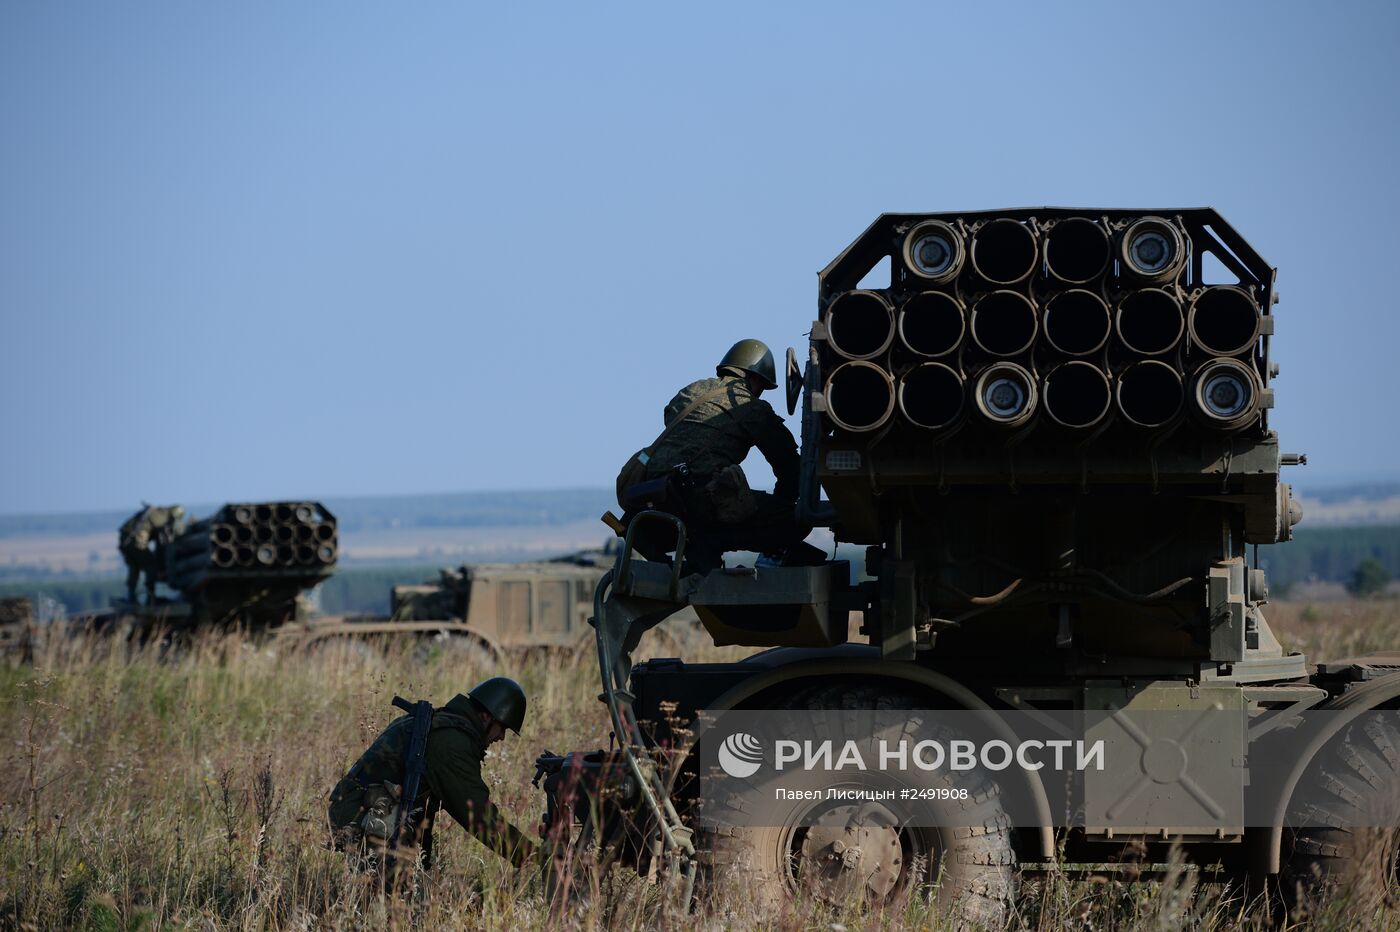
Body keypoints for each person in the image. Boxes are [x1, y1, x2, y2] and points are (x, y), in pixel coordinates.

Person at [621, 339, 820, 573]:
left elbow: (671, 418)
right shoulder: (749, 407)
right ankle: (708, 546)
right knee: (796, 519)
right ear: (753, 378)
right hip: (699, 497)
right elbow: (788, 468)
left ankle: (701, 547)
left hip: (656, 491)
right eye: (762, 386)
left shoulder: (692, 390)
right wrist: (784, 502)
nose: (760, 393)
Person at [327, 677, 537, 880]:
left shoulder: (440, 724)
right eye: (502, 727)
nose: (501, 737)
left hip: (367, 816)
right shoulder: (451, 743)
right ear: (486, 717)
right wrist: (533, 857)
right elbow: (479, 816)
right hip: (371, 822)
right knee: (396, 906)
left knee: (397, 897)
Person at [118, 504, 185, 604]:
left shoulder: (156, 512)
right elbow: (162, 543)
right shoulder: (162, 518)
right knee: (152, 566)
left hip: (125, 541)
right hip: (135, 543)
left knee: (134, 566)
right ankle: (150, 597)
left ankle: (131, 596)